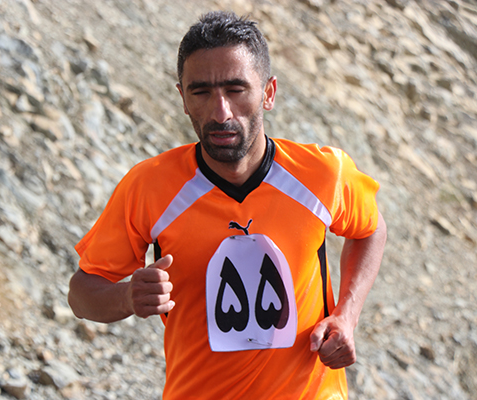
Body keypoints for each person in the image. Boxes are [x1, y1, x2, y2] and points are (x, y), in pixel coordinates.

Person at [68, 10, 387, 400]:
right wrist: (126, 297)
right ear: (183, 99)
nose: (221, 112)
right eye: (201, 92)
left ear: (268, 93)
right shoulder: (149, 187)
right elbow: (82, 293)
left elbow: (370, 228)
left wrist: (346, 315)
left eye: (236, 90)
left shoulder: (323, 174)